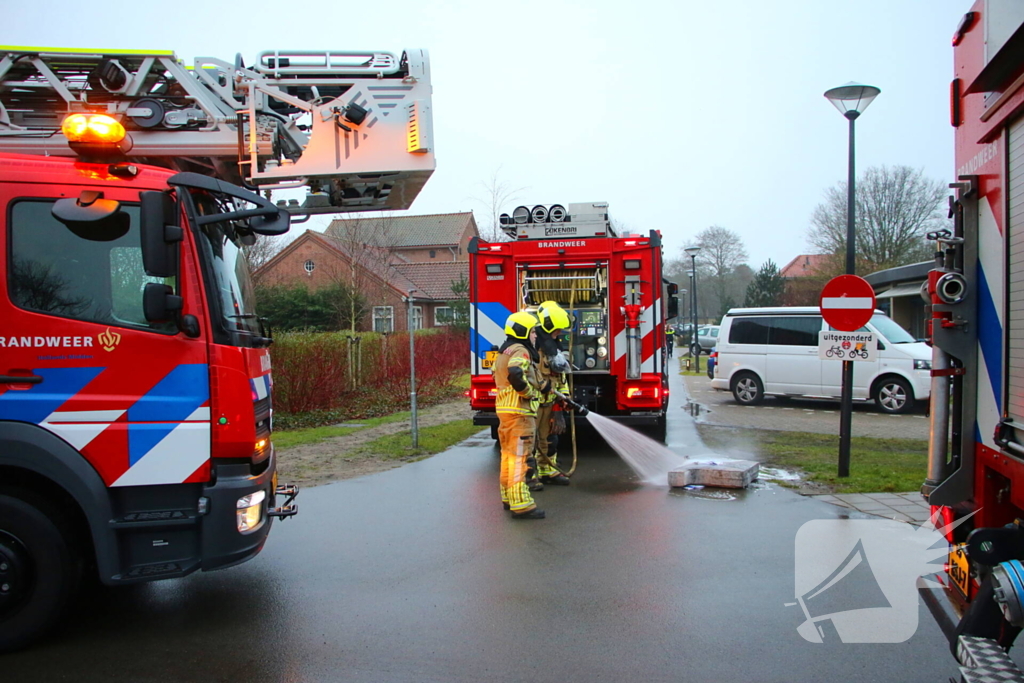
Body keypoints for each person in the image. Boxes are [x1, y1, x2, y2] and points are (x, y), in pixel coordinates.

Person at [492, 311, 548, 519]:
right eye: (533, 331)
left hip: (505, 412)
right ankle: (521, 504)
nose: (535, 336)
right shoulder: (520, 350)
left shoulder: (504, 351)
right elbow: (516, 374)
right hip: (520, 413)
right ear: (523, 332)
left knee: (508, 456)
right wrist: (530, 393)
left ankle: (508, 497)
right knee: (520, 458)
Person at [534, 301, 573, 486]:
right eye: (557, 330)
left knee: (550, 438)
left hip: (549, 402)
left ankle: (547, 471)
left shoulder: (554, 348)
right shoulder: (533, 347)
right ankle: (529, 476)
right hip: (532, 403)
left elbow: (560, 376)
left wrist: (564, 395)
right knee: (529, 441)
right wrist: (543, 388)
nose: (559, 334)